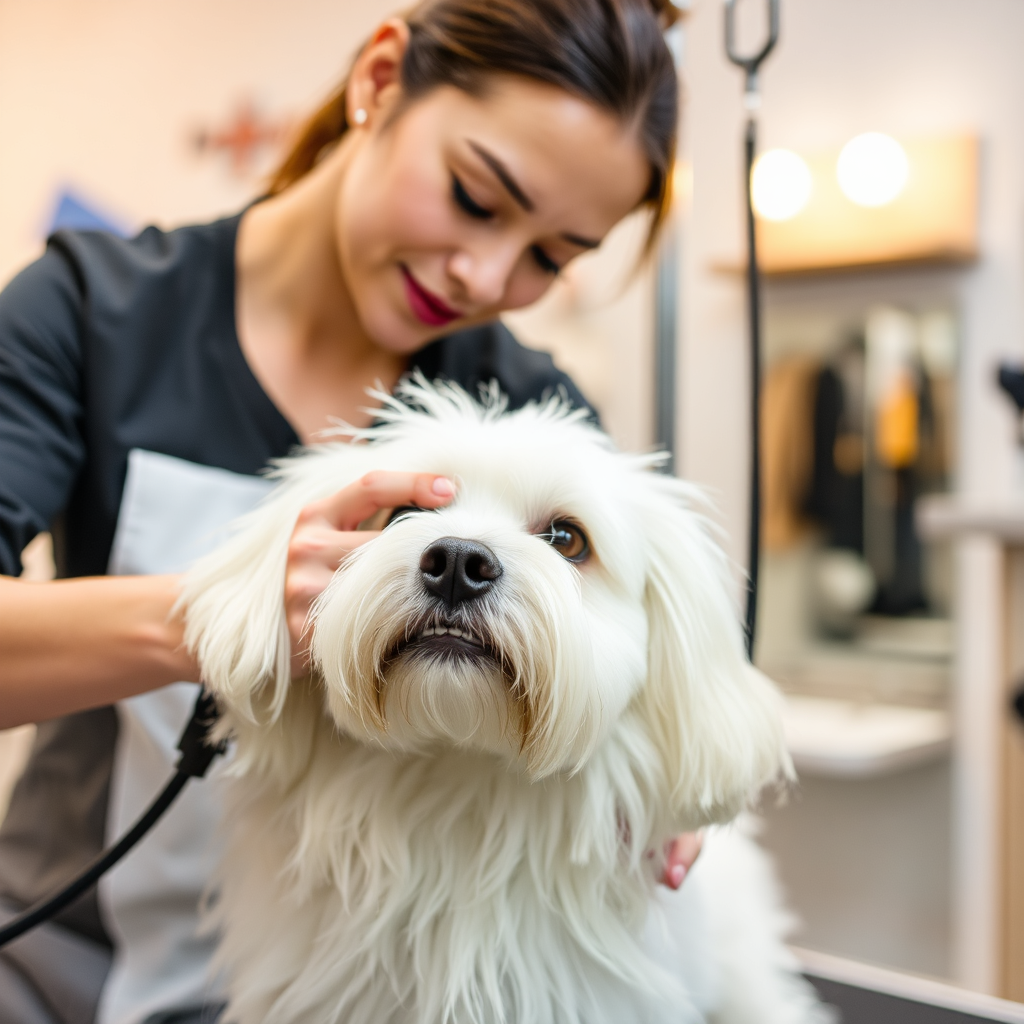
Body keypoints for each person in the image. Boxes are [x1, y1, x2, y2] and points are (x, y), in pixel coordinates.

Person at [0, 1, 700, 1021]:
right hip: (68, 960)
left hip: (363, 979)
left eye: (551, 257)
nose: (486, 277)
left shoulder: (535, 411)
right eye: (474, 196)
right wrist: (219, 614)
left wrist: (672, 771)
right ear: (379, 78)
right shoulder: (94, 312)